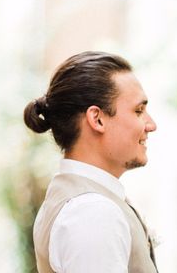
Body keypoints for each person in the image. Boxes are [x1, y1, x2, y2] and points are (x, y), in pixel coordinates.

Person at [24, 51, 158, 273]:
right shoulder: (92, 212)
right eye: (138, 110)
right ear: (97, 119)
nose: (151, 124)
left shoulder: (81, 202)